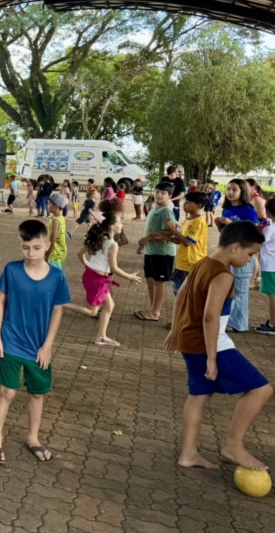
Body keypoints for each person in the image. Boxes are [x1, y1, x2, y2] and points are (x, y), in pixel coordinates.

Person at [166, 220, 272, 470]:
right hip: (210, 344)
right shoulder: (223, 275)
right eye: (250, 254)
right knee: (261, 390)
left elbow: (180, 295)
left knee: (199, 394)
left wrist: (175, 329)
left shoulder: (202, 263)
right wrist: (212, 358)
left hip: (190, 341)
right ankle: (233, 445)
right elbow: (210, 317)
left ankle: (188, 454)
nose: (250, 260)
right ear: (235, 247)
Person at [0, 220, 72, 464]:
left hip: (39, 347)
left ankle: (33, 437)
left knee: (36, 393)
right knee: (7, 391)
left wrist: (48, 346)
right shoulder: (12, 270)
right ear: (19, 245)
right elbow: (0, 301)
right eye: (25, 248)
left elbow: (58, 311)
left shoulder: (57, 277)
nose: (31, 253)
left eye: (36, 248)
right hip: (11, 340)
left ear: (47, 245)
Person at [78, 213, 142, 347]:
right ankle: (60, 304)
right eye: (119, 222)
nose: (122, 225)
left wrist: (88, 265)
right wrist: (129, 276)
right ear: (112, 226)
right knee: (92, 312)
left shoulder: (98, 238)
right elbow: (114, 268)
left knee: (109, 305)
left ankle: (101, 336)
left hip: (93, 277)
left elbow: (79, 253)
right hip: (97, 279)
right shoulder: (112, 244)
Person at [215, 179, 258, 333]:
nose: (230, 192)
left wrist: (229, 223)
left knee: (240, 290)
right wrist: (220, 225)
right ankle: (228, 320)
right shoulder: (227, 209)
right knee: (229, 288)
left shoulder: (247, 210)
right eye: (228, 189)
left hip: (243, 255)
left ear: (242, 191)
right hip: (229, 254)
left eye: (234, 189)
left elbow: (253, 233)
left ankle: (239, 324)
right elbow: (228, 234)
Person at [135, 183, 180, 323]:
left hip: (162, 252)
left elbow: (170, 231)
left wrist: (148, 238)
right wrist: (143, 244)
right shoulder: (155, 208)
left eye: (163, 193)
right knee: (150, 280)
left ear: (170, 196)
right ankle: (152, 308)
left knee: (158, 282)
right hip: (151, 251)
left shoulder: (166, 211)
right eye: (157, 192)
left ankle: (155, 312)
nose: (159, 195)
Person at [257, 197, 275, 335]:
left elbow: (259, 242)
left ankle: (273, 324)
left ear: (268, 211)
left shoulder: (270, 228)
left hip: (270, 266)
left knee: (272, 295)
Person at [46, 193, 67, 270]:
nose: (48, 205)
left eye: (50, 203)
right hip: (60, 252)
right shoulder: (61, 218)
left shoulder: (55, 221)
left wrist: (46, 255)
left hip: (54, 254)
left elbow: (52, 240)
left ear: (56, 206)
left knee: (52, 275)